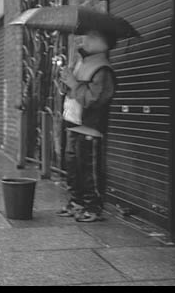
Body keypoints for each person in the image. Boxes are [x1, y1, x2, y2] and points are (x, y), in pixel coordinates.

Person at [56, 29, 117, 223]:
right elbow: (71, 91)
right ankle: (77, 202)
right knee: (73, 168)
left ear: (104, 44)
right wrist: (66, 79)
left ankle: (93, 207)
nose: (86, 40)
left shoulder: (103, 69)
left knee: (88, 169)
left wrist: (74, 84)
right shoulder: (82, 62)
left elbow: (95, 99)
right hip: (74, 123)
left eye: (93, 37)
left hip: (90, 127)